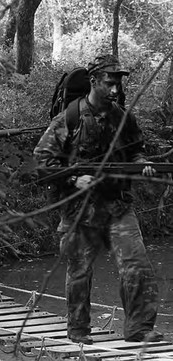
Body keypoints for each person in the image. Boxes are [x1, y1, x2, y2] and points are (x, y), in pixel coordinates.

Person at [34, 54, 163, 344]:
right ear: (94, 81)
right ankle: (78, 329)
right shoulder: (70, 117)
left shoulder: (123, 118)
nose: (115, 89)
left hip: (118, 206)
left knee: (137, 264)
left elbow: (135, 150)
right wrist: (73, 178)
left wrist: (142, 162)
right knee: (80, 271)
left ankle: (139, 328)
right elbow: (41, 163)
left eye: (118, 83)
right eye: (110, 83)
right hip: (80, 208)